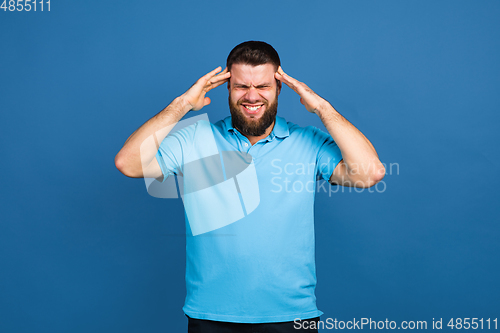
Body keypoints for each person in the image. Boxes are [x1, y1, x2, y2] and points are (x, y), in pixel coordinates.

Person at [115, 41, 385, 333]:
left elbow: (369, 173)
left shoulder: (308, 142)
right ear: (228, 89)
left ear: (279, 89)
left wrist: (321, 107)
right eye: (242, 86)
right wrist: (182, 104)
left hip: (291, 316)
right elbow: (128, 163)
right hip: (210, 315)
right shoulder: (194, 139)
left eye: (263, 86)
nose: (252, 96)